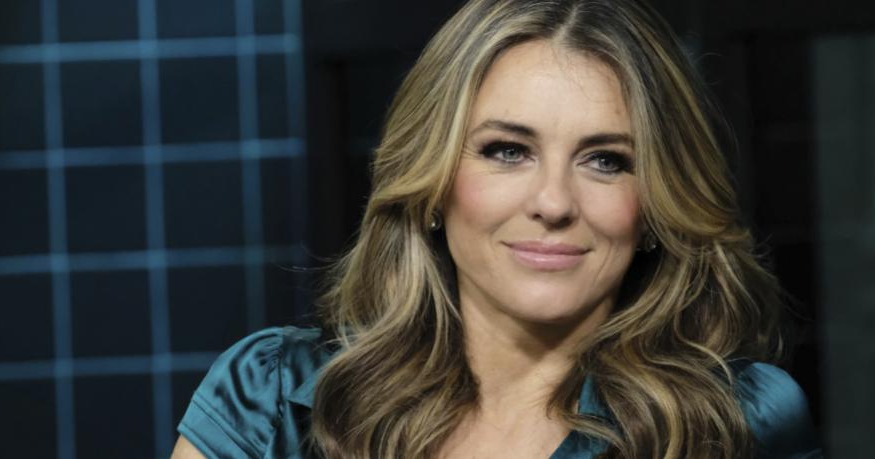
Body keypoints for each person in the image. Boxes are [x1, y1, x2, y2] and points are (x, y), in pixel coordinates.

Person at [172, 0, 824, 457]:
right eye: (507, 151)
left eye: (606, 160)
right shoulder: (273, 400)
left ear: (656, 206)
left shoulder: (738, 421)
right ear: (432, 183)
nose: (553, 201)